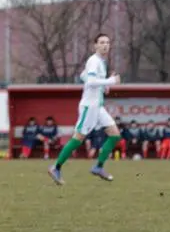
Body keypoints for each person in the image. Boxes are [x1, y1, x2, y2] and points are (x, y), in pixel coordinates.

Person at [48, 34, 122, 184]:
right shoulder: (94, 61)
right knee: (78, 139)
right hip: (89, 106)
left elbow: (84, 76)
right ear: (95, 45)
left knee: (114, 135)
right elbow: (92, 81)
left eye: (107, 42)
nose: (105, 45)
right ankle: (56, 167)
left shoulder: (101, 61)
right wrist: (111, 81)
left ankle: (98, 167)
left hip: (98, 106)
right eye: (101, 42)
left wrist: (104, 87)